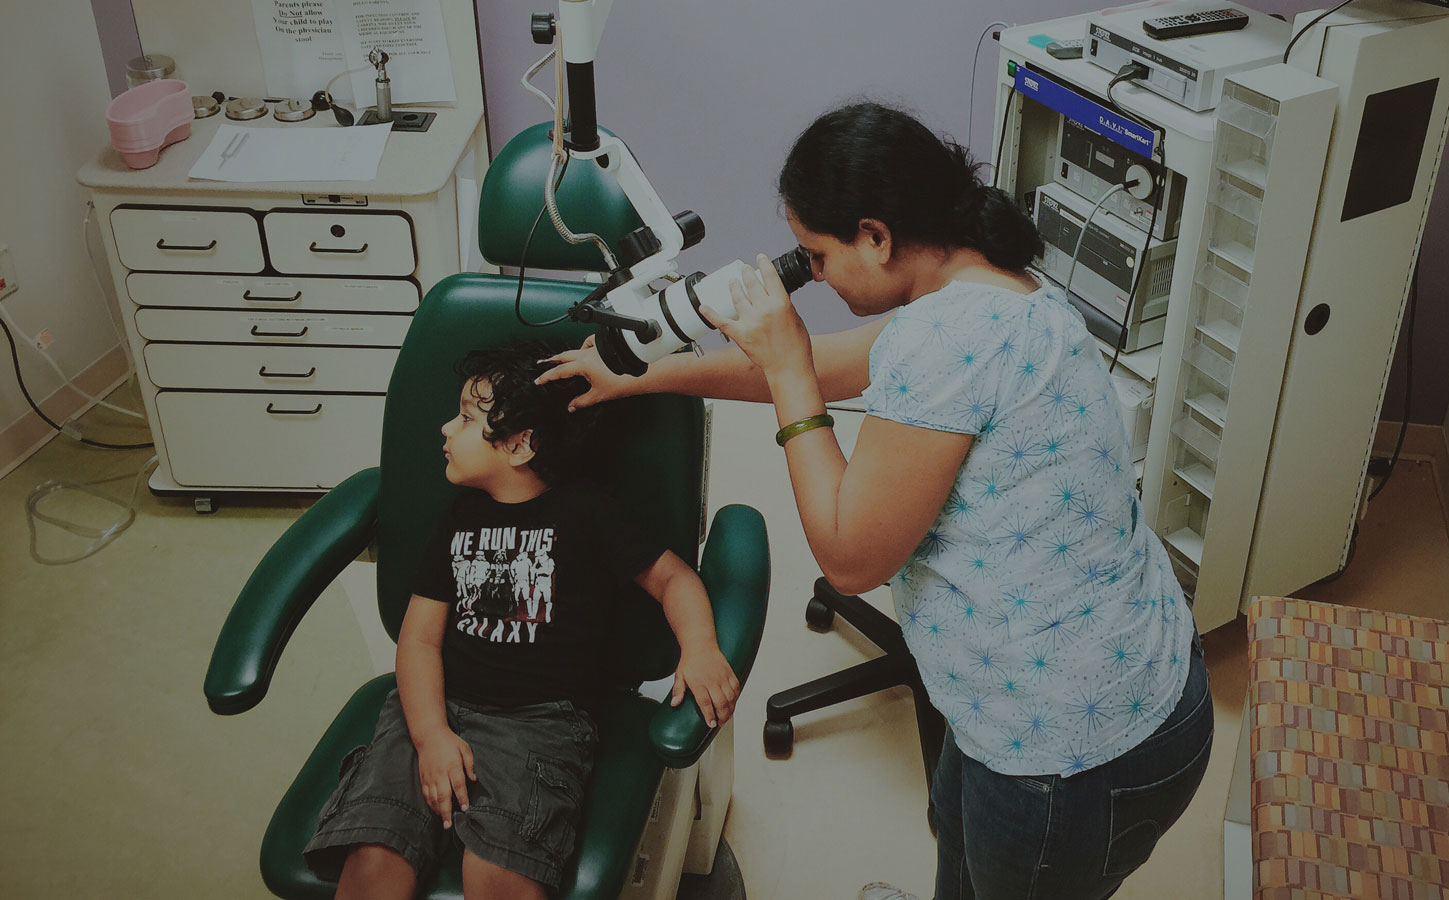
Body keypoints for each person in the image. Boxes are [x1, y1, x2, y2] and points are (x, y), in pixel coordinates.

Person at [540, 101, 1213, 900]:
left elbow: (850, 558)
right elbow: (828, 364)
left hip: (1077, 748)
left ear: (876, 235)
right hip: (1074, 688)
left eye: (820, 255)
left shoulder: (947, 343)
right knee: (958, 839)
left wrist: (787, 368)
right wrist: (641, 374)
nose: (815, 274)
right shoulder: (985, 287)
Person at [303, 340, 741, 900]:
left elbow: (673, 578)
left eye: (466, 418)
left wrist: (700, 647)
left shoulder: (587, 512)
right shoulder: (460, 519)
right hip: (439, 705)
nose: (445, 429)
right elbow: (419, 640)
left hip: (539, 725)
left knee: (500, 873)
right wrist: (431, 735)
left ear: (519, 445)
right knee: (375, 854)